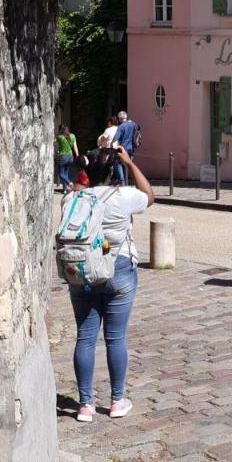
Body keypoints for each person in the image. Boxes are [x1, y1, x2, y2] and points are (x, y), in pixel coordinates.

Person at [67, 146, 155, 423]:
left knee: (85, 337)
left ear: (86, 172)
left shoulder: (72, 198)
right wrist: (129, 164)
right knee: (115, 337)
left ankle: (85, 405)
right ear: (112, 171)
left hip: (83, 270)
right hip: (118, 268)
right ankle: (117, 401)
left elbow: (77, 188)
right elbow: (150, 196)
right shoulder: (124, 196)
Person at [112, 111, 140, 185]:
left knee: (118, 163)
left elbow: (116, 138)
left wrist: (112, 145)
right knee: (126, 164)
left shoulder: (121, 126)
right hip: (131, 149)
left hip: (123, 148)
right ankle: (126, 181)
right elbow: (139, 127)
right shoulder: (132, 124)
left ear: (120, 118)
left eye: (118, 119)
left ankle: (122, 182)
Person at [56, 125, 79, 193]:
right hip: (70, 156)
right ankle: (65, 189)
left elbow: (53, 142)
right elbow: (75, 147)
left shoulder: (59, 137)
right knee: (66, 173)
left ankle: (69, 183)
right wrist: (77, 156)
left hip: (63, 157)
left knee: (61, 174)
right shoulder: (72, 136)